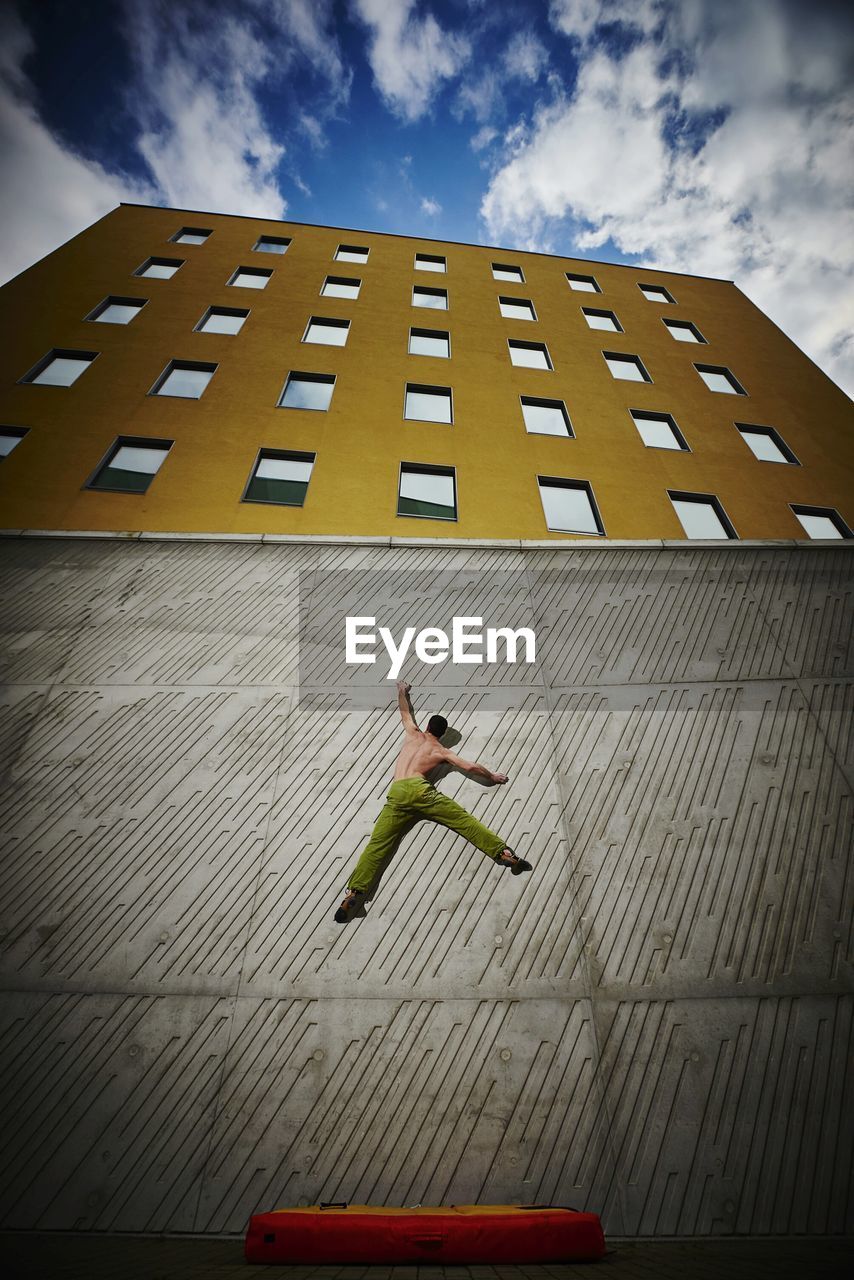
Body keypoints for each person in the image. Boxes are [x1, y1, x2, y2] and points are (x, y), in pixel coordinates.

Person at [334, 681, 531, 922]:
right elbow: (469, 766)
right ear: (443, 734)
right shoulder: (441, 751)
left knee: (377, 845)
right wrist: (492, 776)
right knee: (464, 821)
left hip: (397, 793)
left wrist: (401, 692)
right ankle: (504, 853)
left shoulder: (413, 734)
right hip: (422, 792)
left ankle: (356, 892)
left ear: (427, 726)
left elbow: (405, 713)